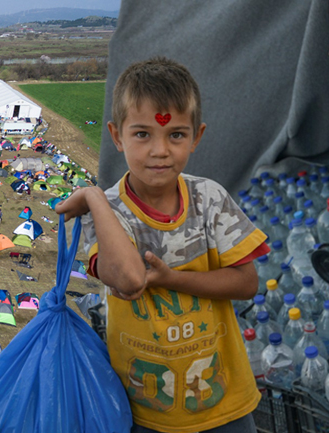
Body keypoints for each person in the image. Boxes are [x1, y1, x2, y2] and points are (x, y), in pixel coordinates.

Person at [55, 58, 268, 433]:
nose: (160, 150)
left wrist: (171, 278)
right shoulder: (105, 213)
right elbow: (129, 280)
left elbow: (246, 283)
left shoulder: (210, 199)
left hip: (223, 401)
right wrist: (93, 196)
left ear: (196, 136)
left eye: (176, 135)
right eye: (142, 134)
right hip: (145, 411)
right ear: (116, 135)